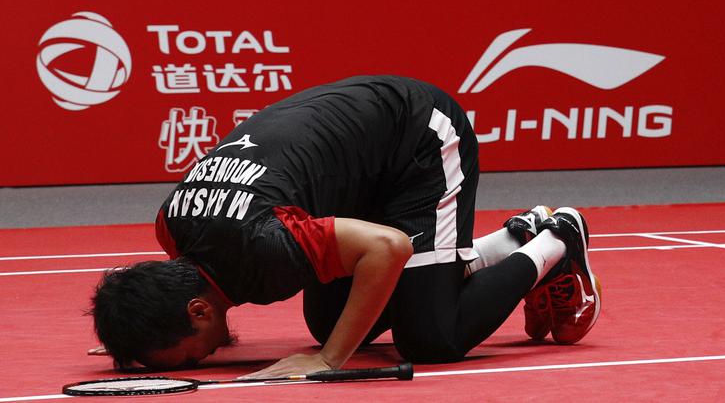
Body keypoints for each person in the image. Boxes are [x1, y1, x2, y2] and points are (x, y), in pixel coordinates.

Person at [87, 75, 601, 378]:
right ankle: (517, 234)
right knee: (334, 319)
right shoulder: (172, 225)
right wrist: (139, 326)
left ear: (198, 309)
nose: (191, 366)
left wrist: (330, 360)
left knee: (430, 338)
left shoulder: (263, 248)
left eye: (184, 360)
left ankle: (557, 240)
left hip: (418, 139)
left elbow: (388, 246)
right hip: (358, 163)